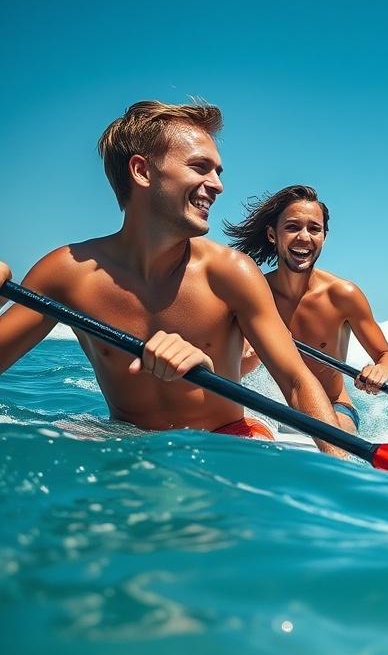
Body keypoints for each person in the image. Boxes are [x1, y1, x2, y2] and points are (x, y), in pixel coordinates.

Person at [0, 101, 345, 455]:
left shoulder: (231, 273)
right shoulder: (66, 274)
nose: (217, 185)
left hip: (227, 439)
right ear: (142, 171)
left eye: (218, 172)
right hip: (124, 441)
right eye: (200, 167)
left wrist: (341, 469)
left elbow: (296, 381)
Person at [226, 185, 388, 432]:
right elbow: (230, 372)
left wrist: (381, 370)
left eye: (314, 229)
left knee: (335, 435)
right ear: (272, 235)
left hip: (334, 409)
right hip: (274, 409)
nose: (304, 237)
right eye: (292, 227)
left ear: (324, 237)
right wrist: (251, 357)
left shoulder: (343, 295)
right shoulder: (254, 294)